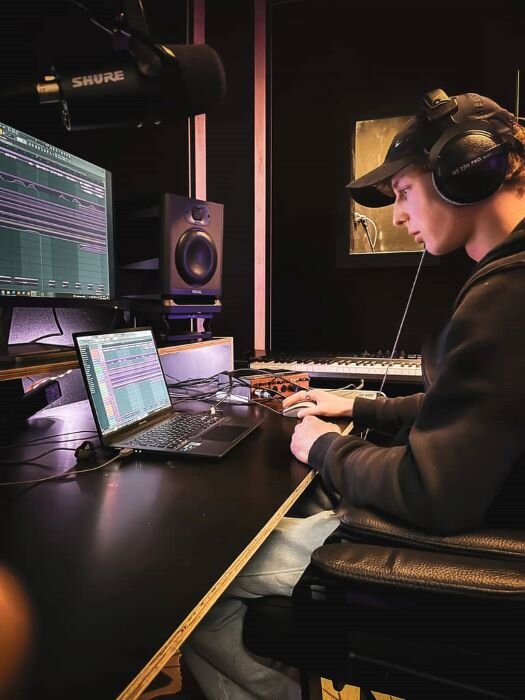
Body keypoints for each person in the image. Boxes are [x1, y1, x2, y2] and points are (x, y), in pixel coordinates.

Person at [182, 89, 525, 699]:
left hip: (478, 542)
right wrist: (360, 408)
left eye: (402, 192)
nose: (397, 216)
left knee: (200, 585)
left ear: (468, 169)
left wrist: (319, 448)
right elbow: (484, 411)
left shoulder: (507, 297)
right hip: (500, 515)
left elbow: (430, 493)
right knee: (310, 510)